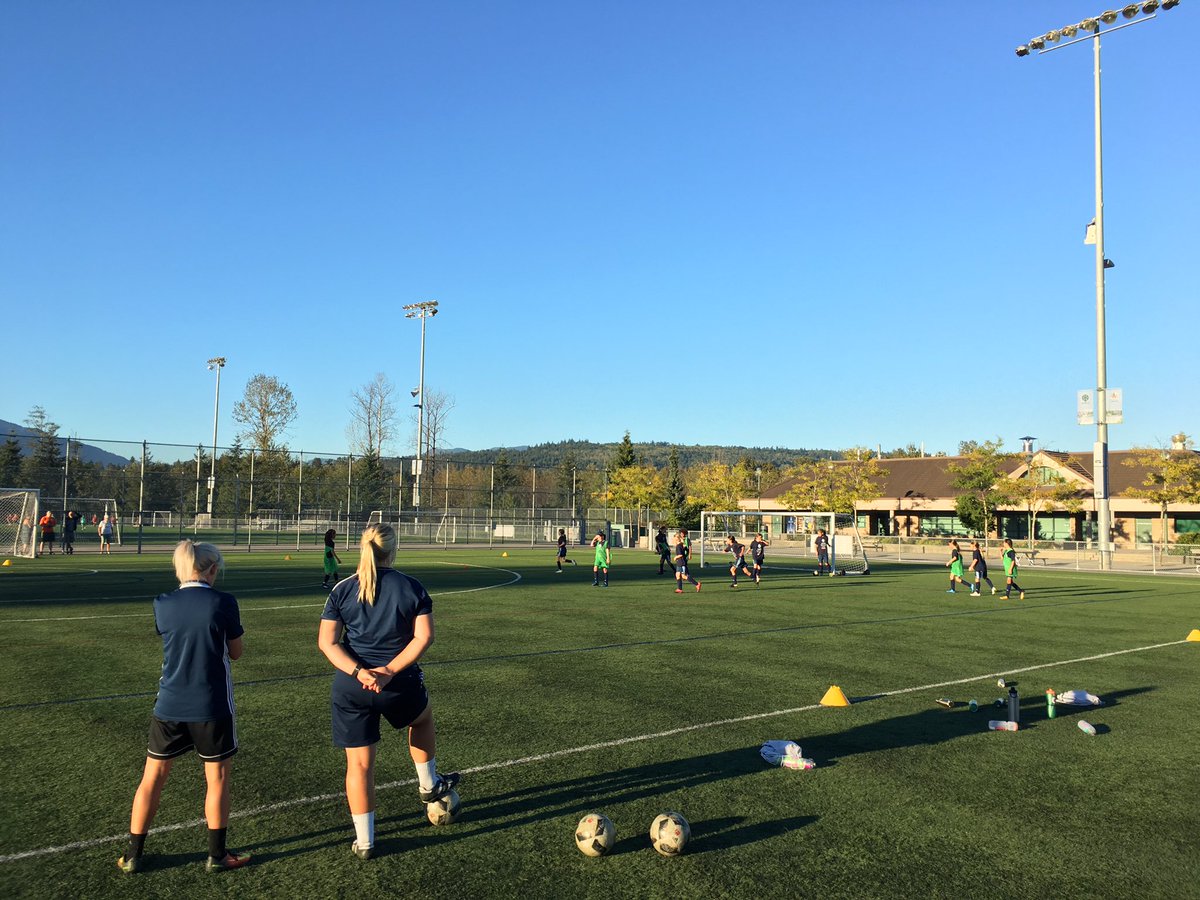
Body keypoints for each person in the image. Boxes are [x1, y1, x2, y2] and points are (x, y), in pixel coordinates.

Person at [318, 523, 458, 860]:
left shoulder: (342, 588)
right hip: (398, 684)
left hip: (352, 687)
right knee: (422, 719)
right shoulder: (411, 586)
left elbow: (327, 643)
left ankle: (365, 842)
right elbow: (424, 637)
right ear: (393, 550)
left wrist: (359, 672)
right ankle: (428, 784)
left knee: (359, 766)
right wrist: (389, 671)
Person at [118, 540, 250, 874]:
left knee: (152, 778)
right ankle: (217, 856)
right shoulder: (223, 601)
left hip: (169, 703)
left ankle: (133, 855)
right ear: (213, 569)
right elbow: (236, 653)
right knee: (217, 779)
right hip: (212, 704)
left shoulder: (162, 602)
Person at [673, 529, 701, 594]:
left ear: (677, 539)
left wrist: (675, 557)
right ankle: (679, 589)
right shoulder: (680, 544)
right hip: (680, 562)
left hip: (681, 562)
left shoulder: (679, 546)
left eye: (674, 538)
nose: (673, 540)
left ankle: (697, 584)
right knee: (677, 575)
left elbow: (680, 555)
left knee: (683, 576)